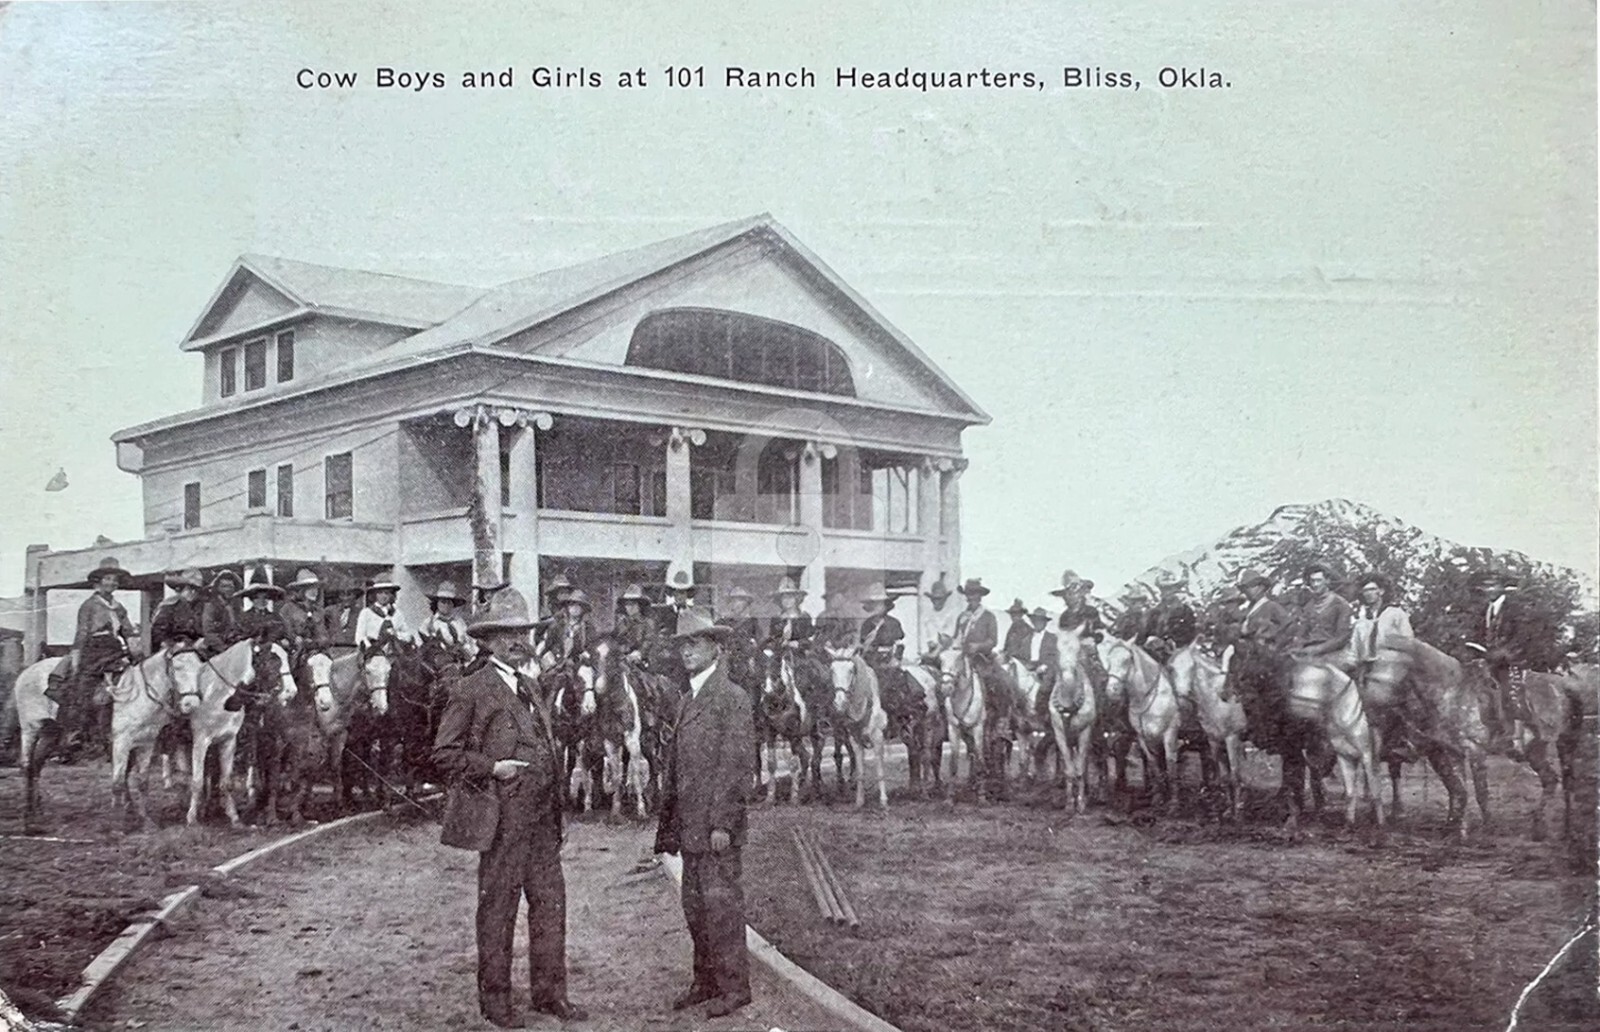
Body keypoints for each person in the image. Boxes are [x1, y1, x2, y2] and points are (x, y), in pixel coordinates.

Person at [432, 588, 587, 1028]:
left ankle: (550, 993)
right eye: (509, 634)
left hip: (540, 822)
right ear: (490, 639)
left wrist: (558, 811)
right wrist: (491, 767)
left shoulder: (531, 685)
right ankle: (495, 1001)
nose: (519, 641)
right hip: (500, 821)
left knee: (550, 905)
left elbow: (548, 749)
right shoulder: (471, 688)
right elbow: (444, 753)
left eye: (523, 632)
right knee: (498, 909)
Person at [652, 608, 757, 1019]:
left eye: (695, 643)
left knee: (722, 908)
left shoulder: (731, 697)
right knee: (695, 908)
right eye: (682, 645)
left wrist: (722, 824)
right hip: (690, 827)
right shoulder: (687, 699)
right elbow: (676, 770)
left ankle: (735, 987)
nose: (687, 651)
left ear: (716, 647)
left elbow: (735, 768)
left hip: (714, 829)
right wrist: (670, 827)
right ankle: (706, 980)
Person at [46, 557, 140, 759]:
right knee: (81, 689)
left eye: (115, 580)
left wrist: (135, 647)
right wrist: (76, 659)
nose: (112, 583)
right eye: (108, 579)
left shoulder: (119, 607)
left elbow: (128, 630)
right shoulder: (89, 605)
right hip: (94, 652)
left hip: (115, 650)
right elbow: (82, 634)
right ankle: (73, 734)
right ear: (98, 581)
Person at [1473, 568, 1536, 753]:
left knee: (1510, 690)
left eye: (1493, 585)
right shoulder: (1486, 610)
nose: (1489, 589)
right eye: (1485, 586)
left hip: (1512, 659)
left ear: (1502, 587)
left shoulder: (1515, 609)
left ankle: (1518, 737)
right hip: (1490, 660)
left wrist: (1503, 653)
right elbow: (1481, 635)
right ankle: (1490, 731)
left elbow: (1522, 636)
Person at [1343, 572, 1413, 688]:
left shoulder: (1395, 614)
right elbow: (1353, 652)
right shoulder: (1361, 623)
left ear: (1381, 591)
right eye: (1365, 591)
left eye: (1372, 589)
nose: (1368, 594)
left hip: (1391, 668)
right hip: (1367, 672)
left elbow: (1408, 643)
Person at [1292, 563, 1352, 664]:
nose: (1315, 584)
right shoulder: (1309, 606)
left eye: (1318, 580)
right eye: (1312, 581)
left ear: (1327, 581)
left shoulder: (1340, 604)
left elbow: (1342, 637)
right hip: (1309, 650)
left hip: (1333, 653)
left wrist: (1318, 649)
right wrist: (1298, 645)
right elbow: (1303, 631)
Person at [1142, 572, 1198, 664]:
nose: (1167, 592)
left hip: (1180, 651)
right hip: (1155, 652)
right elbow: (1148, 632)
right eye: (1164, 589)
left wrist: (1174, 641)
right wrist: (1152, 639)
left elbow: (1191, 632)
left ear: (1176, 589)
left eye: (1170, 588)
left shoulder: (1185, 610)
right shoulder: (1154, 612)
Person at [355, 572, 417, 654]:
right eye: (380, 593)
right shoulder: (366, 613)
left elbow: (407, 634)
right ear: (375, 595)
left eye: (387, 593)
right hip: (374, 654)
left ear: (391, 595)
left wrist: (396, 634)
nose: (383, 596)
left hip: (395, 653)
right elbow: (359, 637)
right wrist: (370, 647)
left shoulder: (397, 613)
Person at [420, 580, 477, 668]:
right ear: (437, 603)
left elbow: (469, 641)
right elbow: (425, 648)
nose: (446, 605)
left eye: (449, 602)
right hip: (440, 665)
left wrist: (467, 651)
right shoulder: (428, 624)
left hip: (463, 663)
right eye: (443, 602)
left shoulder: (459, 622)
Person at [1236, 569, 1294, 651]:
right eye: (1242, 588)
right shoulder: (1246, 609)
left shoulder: (1272, 606)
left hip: (1266, 655)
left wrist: (1275, 646)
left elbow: (1289, 627)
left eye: (1247, 587)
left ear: (1260, 586)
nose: (1244, 591)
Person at [150, 568, 206, 650]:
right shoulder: (169, 606)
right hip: (172, 652)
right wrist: (172, 645)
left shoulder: (200, 607)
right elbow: (157, 635)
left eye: (197, 589)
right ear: (179, 588)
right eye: (190, 588)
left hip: (195, 650)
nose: (193, 592)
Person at [539, 589, 597, 668]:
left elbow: (591, 650)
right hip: (557, 663)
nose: (575, 608)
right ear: (567, 607)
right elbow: (547, 646)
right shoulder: (557, 626)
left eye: (579, 605)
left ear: (583, 609)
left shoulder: (587, 628)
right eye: (572, 604)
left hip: (578, 665)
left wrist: (584, 657)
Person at [201, 569, 245, 657]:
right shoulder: (211, 606)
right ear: (217, 588)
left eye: (231, 586)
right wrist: (223, 648)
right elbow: (209, 632)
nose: (228, 589)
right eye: (224, 586)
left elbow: (242, 626)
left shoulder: (237, 606)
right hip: (217, 649)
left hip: (236, 646)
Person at [920, 576, 960, 662]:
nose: (937, 602)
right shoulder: (927, 615)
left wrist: (937, 649)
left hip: (947, 650)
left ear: (945, 599)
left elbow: (948, 636)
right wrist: (928, 644)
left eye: (940, 599)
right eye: (935, 599)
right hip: (930, 649)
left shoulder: (950, 614)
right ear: (931, 600)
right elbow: (925, 634)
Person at [1001, 598, 1033, 662]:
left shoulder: (1027, 629)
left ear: (1021, 614)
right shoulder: (1012, 627)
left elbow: (1025, 651)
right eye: (1012, 614)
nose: (1013, 616)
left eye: (1016, 614)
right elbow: (1006, 646)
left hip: (1022, 661)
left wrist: (1009, 656)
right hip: (1010, 659)